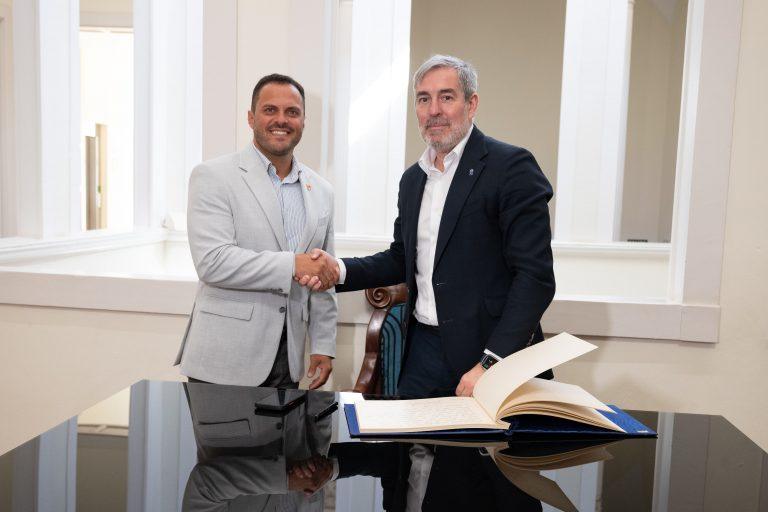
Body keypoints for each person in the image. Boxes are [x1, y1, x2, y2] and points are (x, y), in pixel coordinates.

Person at [303, 55, 555, 398]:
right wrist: (338, 270)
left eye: (446, 97)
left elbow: (535, 279)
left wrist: (491, 363)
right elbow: (401, 259)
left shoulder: (511, 168)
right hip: (423, 351)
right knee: (401, 433)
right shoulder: (413, 180)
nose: (433, 110)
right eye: (423, 99)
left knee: (474, 439)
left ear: (471, 104)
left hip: (491, 356)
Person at [175, 73, 340, 389]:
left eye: (292, 112)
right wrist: (293, 265)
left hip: (289, 362)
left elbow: (323, 274)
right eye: (270, 110)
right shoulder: (212, 176)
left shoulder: (322, 191)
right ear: (251, 118)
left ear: (303, 121)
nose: (282, 120)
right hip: (223, 361)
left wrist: (323, 344)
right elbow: (213, 262)